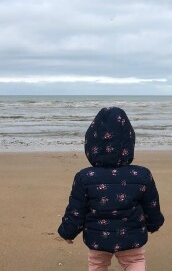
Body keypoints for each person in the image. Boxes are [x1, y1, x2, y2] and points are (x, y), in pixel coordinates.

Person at [58, 107, 164, 271]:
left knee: (98, 265)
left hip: (97, 239)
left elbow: (76, 210)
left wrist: (68, 232)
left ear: (91, 144)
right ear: (129, 142)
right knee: (134, 262)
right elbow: (152, 206)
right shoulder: (142, 175)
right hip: (132, 237)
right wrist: (154, 224)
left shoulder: (85, 177)